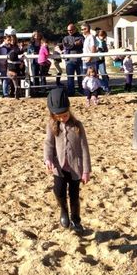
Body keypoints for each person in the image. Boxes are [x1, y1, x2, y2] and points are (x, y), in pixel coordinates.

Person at [44, 88, 91, 234]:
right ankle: (63, 211)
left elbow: (84, 148)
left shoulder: (78, 126)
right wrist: (48, 159)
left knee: (74, 195)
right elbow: (48, 144)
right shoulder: (52, 125)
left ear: (69, 110)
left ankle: (76, 220)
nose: (62, 118)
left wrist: (86, 170)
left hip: (75, 169)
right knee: (58, 191)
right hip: (59, 168)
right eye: (58, 116)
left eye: (64, 115)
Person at [62, 23, 84, 96]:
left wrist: (72, 45)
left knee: (80, 77)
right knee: (70, 78)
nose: (69, 31)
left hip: (79, 60)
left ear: (75, 29)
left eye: (71, 30)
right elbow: (66, 46)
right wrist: (75, 44)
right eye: (68, 30)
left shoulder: (81, 37)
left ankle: (81, 91)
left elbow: (82, 44)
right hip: (69, 61)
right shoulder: (65, 38)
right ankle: (71, 92)